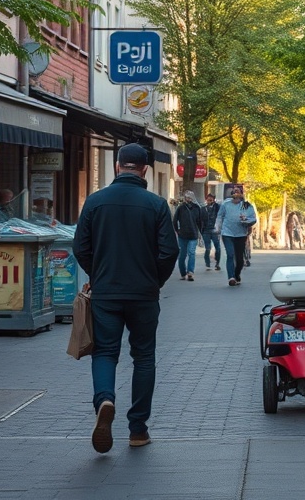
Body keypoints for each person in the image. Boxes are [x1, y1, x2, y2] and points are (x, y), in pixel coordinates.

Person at [73, 143, 178, 453]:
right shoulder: (156, 204)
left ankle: (105, 400)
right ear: (144, 170)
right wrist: (155, 280)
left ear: (117, 166)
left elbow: (80, 247)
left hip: (106, 293)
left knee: (105, 352)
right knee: (143, 357)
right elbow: (169, 251)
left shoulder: (95, 202)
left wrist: (97, 274)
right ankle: (138, 429)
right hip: (144, 294)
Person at [215, 185, 257, 286]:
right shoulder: (226, 204)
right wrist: (218, 228)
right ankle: (231, 277)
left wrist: (246, 219)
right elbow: (220, 216)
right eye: (234, 191)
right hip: (227, 233)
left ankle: (237, 274)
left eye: (238, 191)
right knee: (230, 254)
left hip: (241, 234)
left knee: (239, 259)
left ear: (242, 194)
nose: (236, 193)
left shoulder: (246, 205)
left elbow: (253, 219)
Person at [173, 190, 203, 282]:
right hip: (182, 235)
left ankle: (190, 272)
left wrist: (201, 234)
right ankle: (183, 273)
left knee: (191, 253)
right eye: (187, 197)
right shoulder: (181, 208)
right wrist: (177, 231)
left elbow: (199, 221)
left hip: (193, 234)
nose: (188, 199)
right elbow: (175, 220)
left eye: (190, 197)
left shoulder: (197, 208)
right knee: (182, 254)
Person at [202, 193, 222, 270]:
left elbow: (221, 215)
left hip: (215, 230)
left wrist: (219, 228)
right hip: (206, 231)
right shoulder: (203, 209)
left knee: (218, 248)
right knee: (208, 248)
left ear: (214, 200)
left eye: (211, 200)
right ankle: (207, 264)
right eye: (208, 200)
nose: (209, 201)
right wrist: (201, 230)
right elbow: (200, 220)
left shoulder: (217, 207)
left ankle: (217, 263)